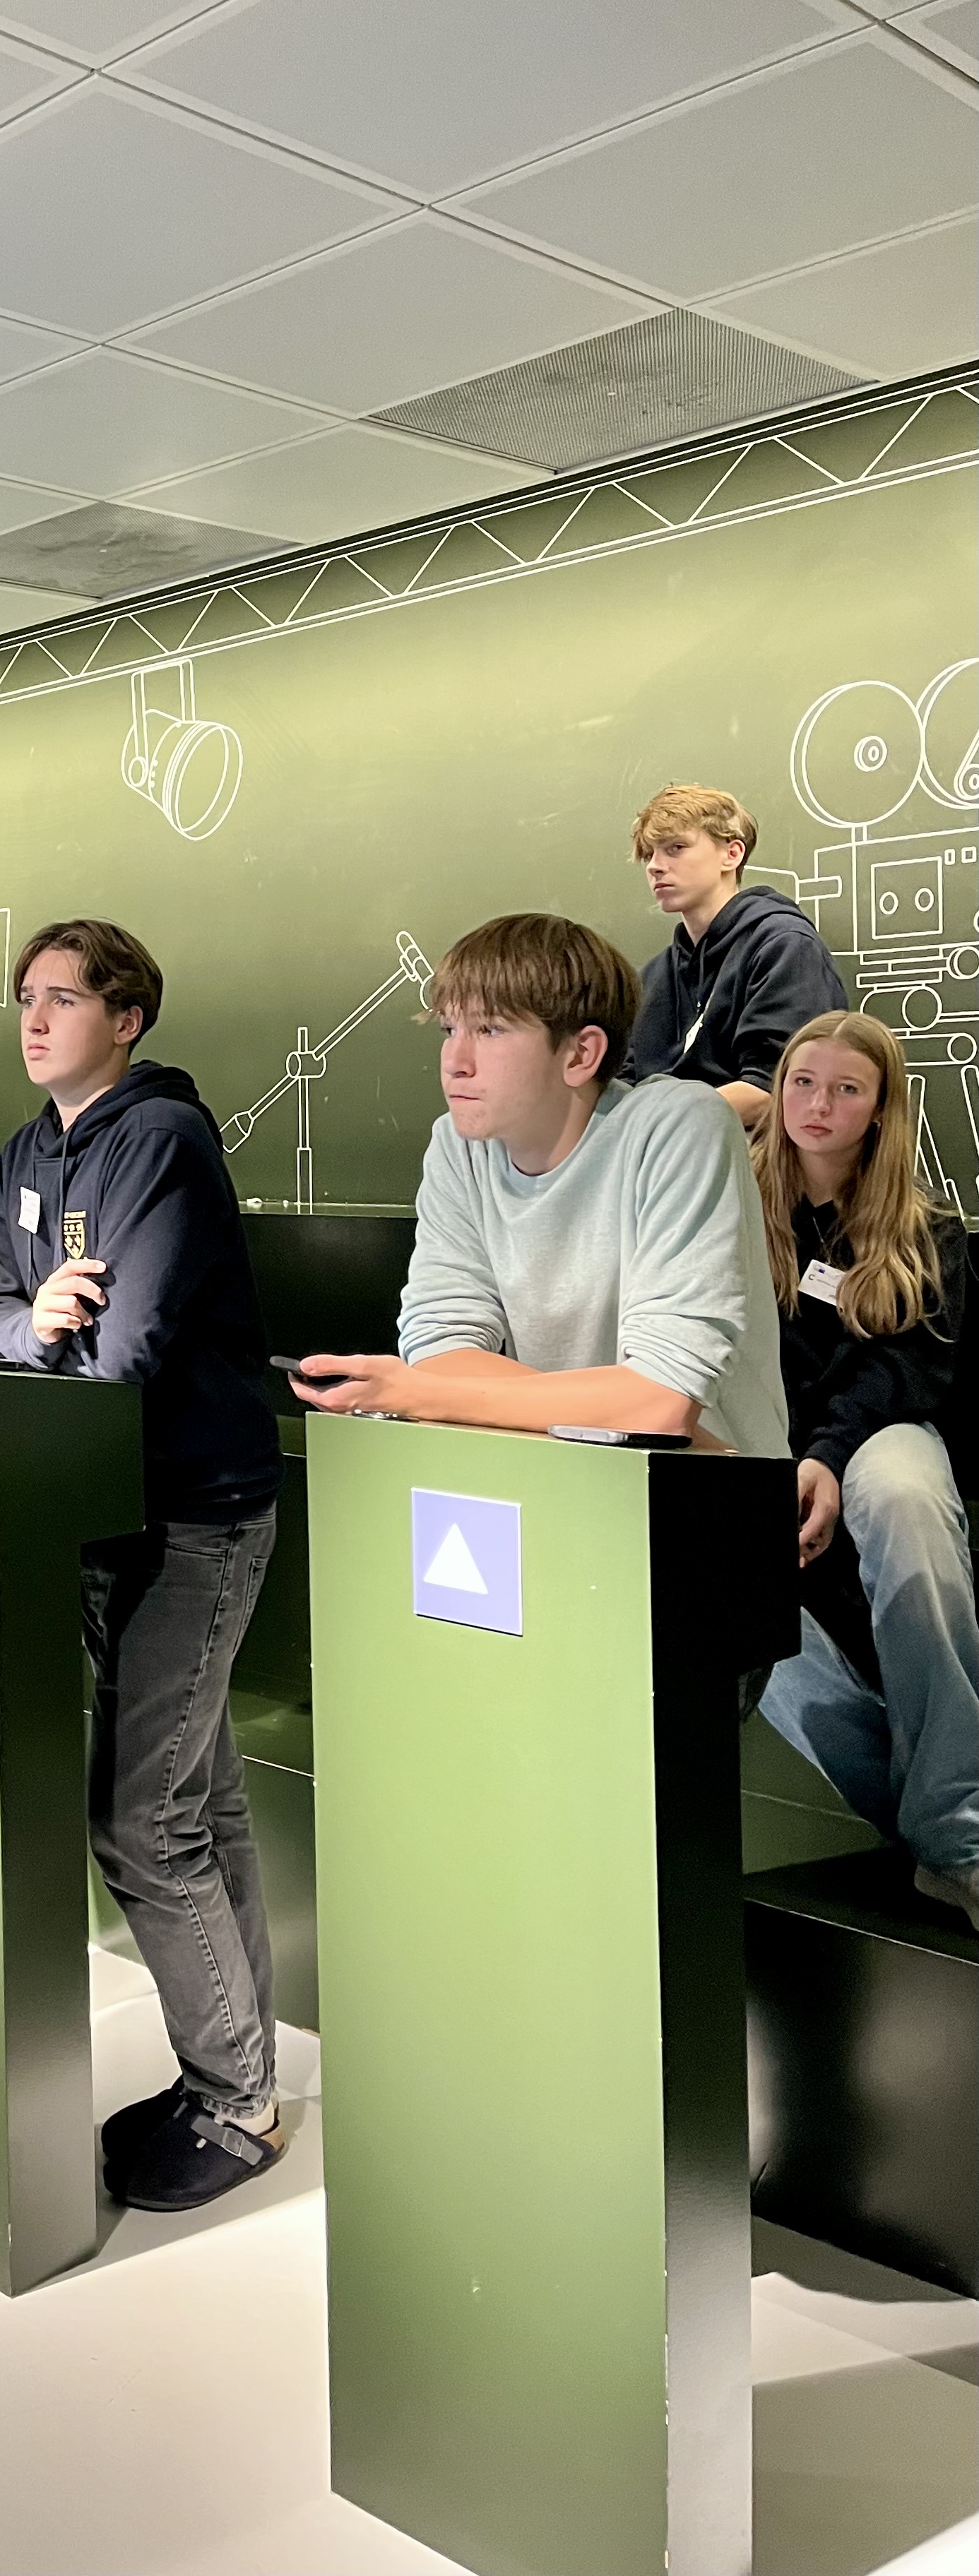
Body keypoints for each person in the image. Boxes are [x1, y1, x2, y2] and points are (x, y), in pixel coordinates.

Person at [0, 919, 283, 2214]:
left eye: (63, 998)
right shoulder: (22, 1150)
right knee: (197, 1800)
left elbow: (130, 1346)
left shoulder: (162, 1139)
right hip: (98, 1516)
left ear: (127, 1015)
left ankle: (235, 2098)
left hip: (193, 1513)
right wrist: (33, 1320)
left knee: (141, 1821)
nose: (34, 1020)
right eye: (25, 998)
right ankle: (239, 2071)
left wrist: (35, 1333)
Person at [291, 912, 788, 1454]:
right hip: (559, 1473)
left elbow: (661, 1401)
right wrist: (615, 1408)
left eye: (489, 1030)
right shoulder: (460, 1146)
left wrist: (422, 1395)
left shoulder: (677, 1125)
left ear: (580, 1053)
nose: (455, 1062)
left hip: (706, 1492)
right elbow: (440, 1347)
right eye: (449, 1030)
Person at [749, 1011, 976, 1928]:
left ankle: (959, 1834)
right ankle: (937, 1838)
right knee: (738, 1613)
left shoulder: (928, 1232)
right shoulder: (723, 1215)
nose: (818, 1105)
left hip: (875, 1440)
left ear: (880, 1109)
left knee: (905, 1490)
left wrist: (827, 1457)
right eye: (802, 1083)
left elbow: (905, 1370)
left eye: (846, 1089)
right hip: (755, 1450)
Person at [625, 782, 846, 1129]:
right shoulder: (653, 977)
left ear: (732, 854)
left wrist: (653, 1127)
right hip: (662, 1152)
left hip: (749, 1154)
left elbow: (771, 1090)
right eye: (649, 854)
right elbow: (622, 1084)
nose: (655, 866)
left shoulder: (785, 947)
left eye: (676, 848)